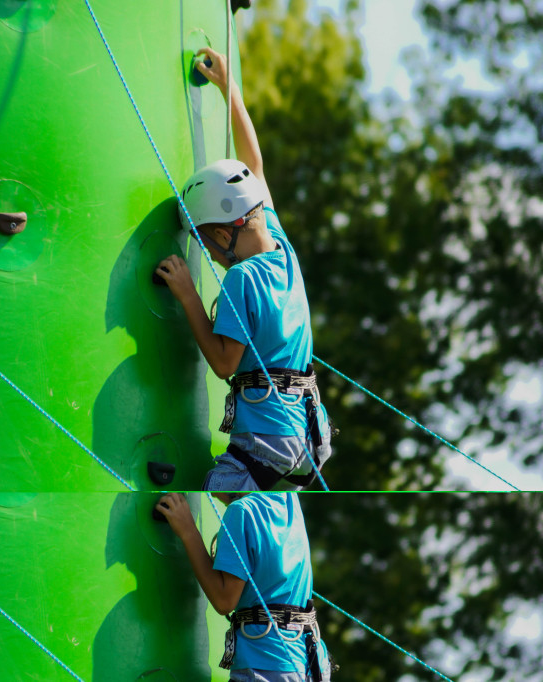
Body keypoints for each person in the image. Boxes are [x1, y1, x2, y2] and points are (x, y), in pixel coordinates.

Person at [154, 46, 332, 492]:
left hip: (263, 445)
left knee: (216, 493)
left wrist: (187, 295)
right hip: (310, 437)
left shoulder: (242, 277)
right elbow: (254, 167)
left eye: (205, 240)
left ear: (222, 232)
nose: (210, 254)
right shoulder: (281, 248)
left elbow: (221, 362)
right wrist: (229, 89)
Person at [155, 491, 332, 681]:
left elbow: (224, 601)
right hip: (311, 663)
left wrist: (188, 530)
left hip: (265, 664)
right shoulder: (288, 498)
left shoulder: (240, 511)